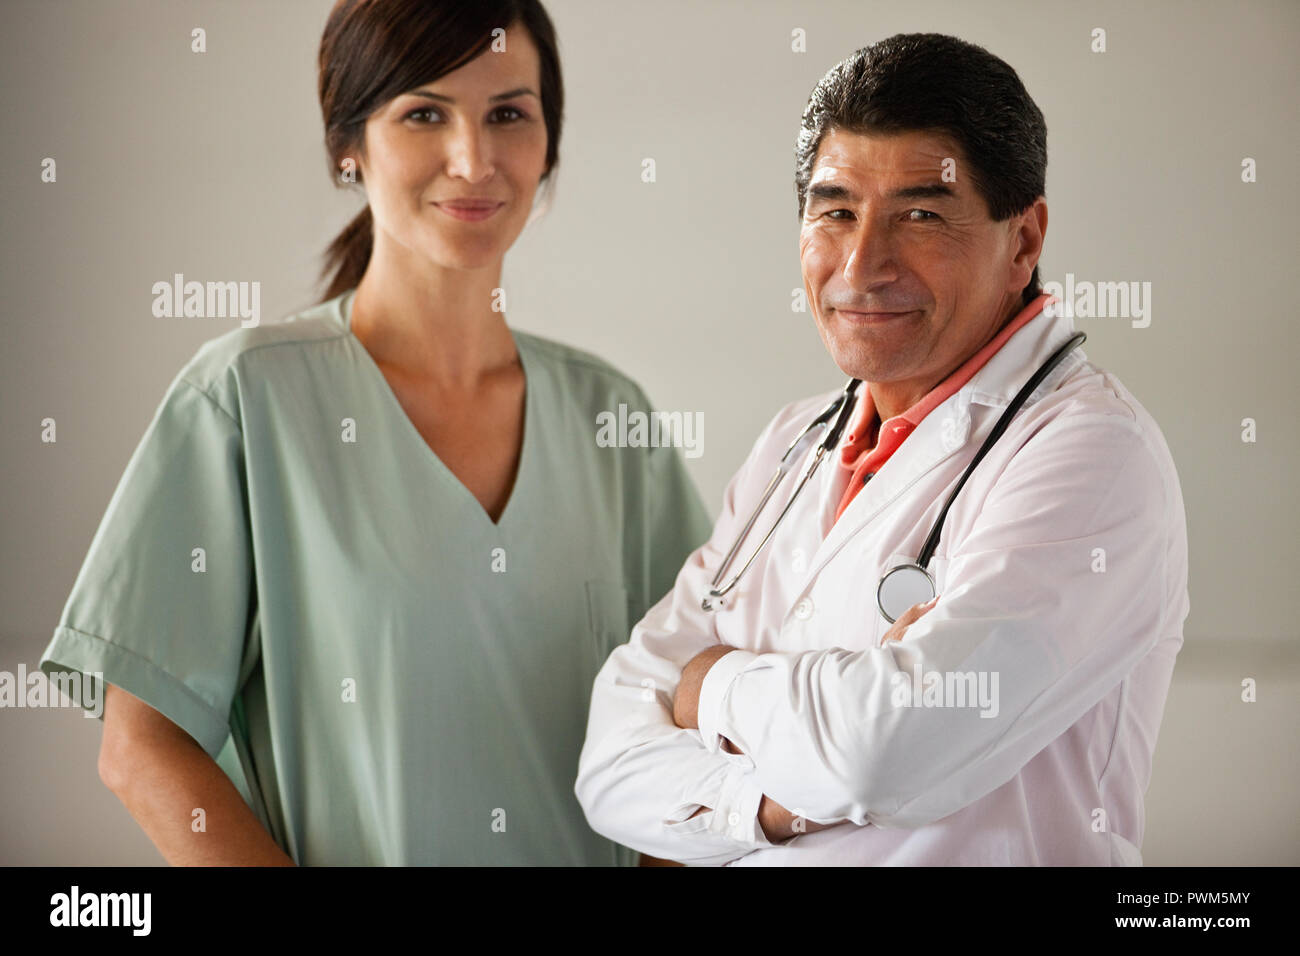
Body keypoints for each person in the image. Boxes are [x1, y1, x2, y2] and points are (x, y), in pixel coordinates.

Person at [40, 0, 711, 865]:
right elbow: (141, 749)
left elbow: (692, 718)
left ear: (549, 146)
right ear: (347, 147)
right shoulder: (246, 400)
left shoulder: (610, 419)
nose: (472, 159)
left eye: (509, 114)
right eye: (424, 113)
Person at [575, 33, 1190, 866]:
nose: (862, 266)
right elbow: (609, 759)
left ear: (1025, 240)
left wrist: (708, 683)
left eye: (921, 214)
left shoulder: (1092, 455)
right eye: (835, 211)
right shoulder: (794, 445)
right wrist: (763, 806)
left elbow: (885, 750)